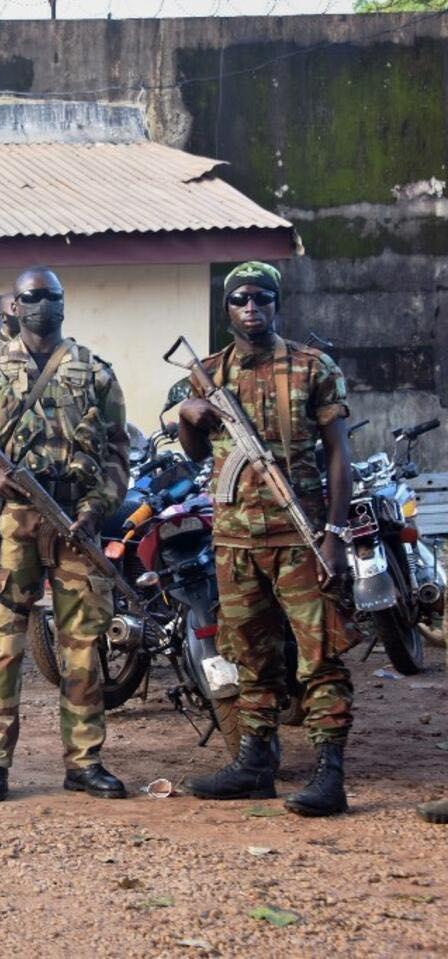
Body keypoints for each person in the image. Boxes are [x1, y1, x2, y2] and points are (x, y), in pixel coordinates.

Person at [178, 261, 354, 817]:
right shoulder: (208, 371)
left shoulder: (311, 367)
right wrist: (187, 414)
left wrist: (334, 534)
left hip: (300, 536)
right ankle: (255, 764)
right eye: (240, 299)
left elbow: (338, 455)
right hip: (235, 541)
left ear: (277, 303)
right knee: (250, 655)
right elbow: (195, 454)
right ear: (226, 308)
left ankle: (330, 773)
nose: (251, 308)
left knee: (320, 654)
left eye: (261, 297)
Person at [0, 267, 131, 802]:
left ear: (63, 303)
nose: (42, 305)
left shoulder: (94, 371)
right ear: (14, 305)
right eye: (31, 296)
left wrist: (98, 507)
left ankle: (84, 760)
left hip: (76, 520)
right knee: (5, 642)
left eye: (51, 295)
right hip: (16, 520)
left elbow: (118, 450)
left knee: (83, 645)